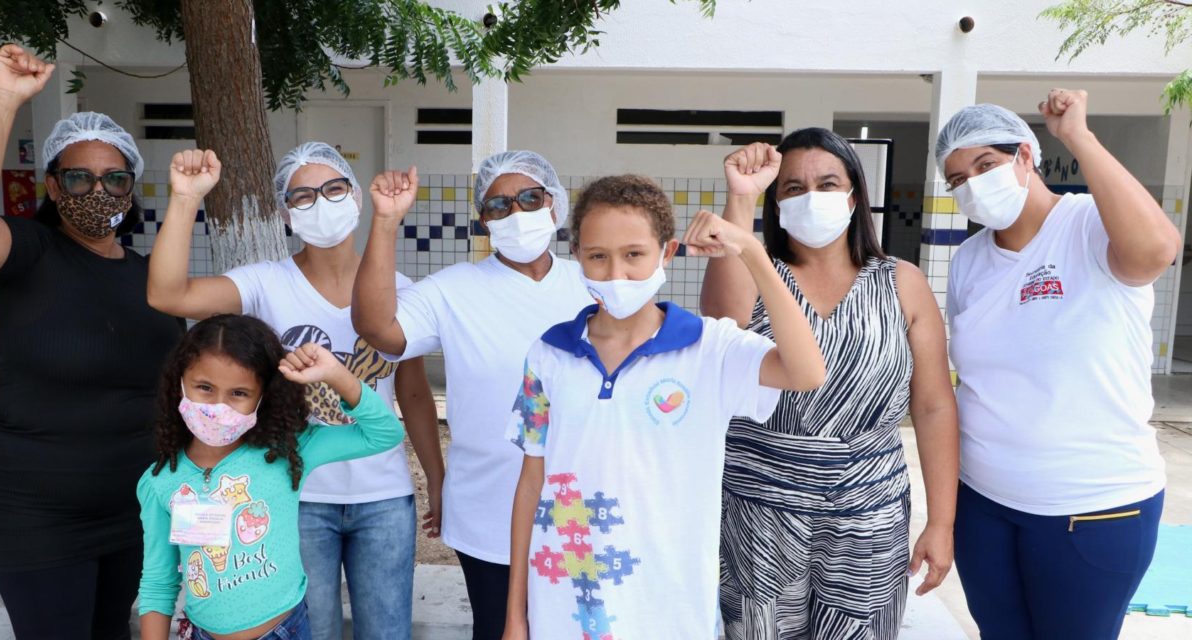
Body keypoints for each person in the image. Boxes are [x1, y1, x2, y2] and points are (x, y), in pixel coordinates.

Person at [501, 174, 825, 639]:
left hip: (671, 609)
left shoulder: (709, 348)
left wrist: (752, 253)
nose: (616, 273)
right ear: (578, 259)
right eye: (598, 256)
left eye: (634, 254)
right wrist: (517, 615)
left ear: (666, 253)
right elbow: (531, 483)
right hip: (566, 605)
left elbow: (807, 372)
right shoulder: (549, 354)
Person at [0, 44, 184, 640]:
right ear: (53, 183)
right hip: (36, 509)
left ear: (132, 186)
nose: (98, 190)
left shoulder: (149, 276)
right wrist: (3, 97)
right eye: (79, 176)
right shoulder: (29, 254)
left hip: (133, 504)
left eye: (114, 177)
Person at [146, 143, 443, 640]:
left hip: (384, 498)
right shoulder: (265, 284)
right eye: (302, 195)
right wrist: (183, 198)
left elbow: (413, 395)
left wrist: (435, 476)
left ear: (354, 196)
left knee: (388, 632)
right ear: (285, 212)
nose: (321, 203)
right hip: (296, 498)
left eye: (333, 189)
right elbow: (167, 294)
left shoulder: (401, 288)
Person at [938, 91, 1180, 639]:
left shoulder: (1090, 224)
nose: (972, 186)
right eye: (957, 180)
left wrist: (1078, 135)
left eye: (985, 165)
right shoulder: (970, 261)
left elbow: (1155, 251)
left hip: (1094, 508)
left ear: (1026, 156)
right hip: (986, 505)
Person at [701, 133, 959, 639]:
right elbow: (721, 322)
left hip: (870, 512)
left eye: (827, 183)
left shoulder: (901, 282)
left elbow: (932, 406)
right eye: (793, 187)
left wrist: (941, 523)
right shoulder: (756, 273)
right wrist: (740, 197)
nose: (809, 196)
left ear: (854, 195)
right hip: (759, 508)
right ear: (776, 203)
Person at [353, 151, 594, 638]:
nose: (517, 213)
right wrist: (384, 223)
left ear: (554, 203)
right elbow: (379, 329)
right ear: (484, 221)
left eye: (530, 198)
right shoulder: (453, 290)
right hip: (489, 510)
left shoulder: (593, 283)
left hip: (587, 506)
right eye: (499, 205)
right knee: (499, 626)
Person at [136, 313, 405, 640]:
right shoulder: (160, 481)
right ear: (179, 383)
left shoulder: (287, 451)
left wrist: (335, 374)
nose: (219, 406)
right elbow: (158, 583)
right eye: (204, 387)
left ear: (262, 396)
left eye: (238, 393)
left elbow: (384, 434)